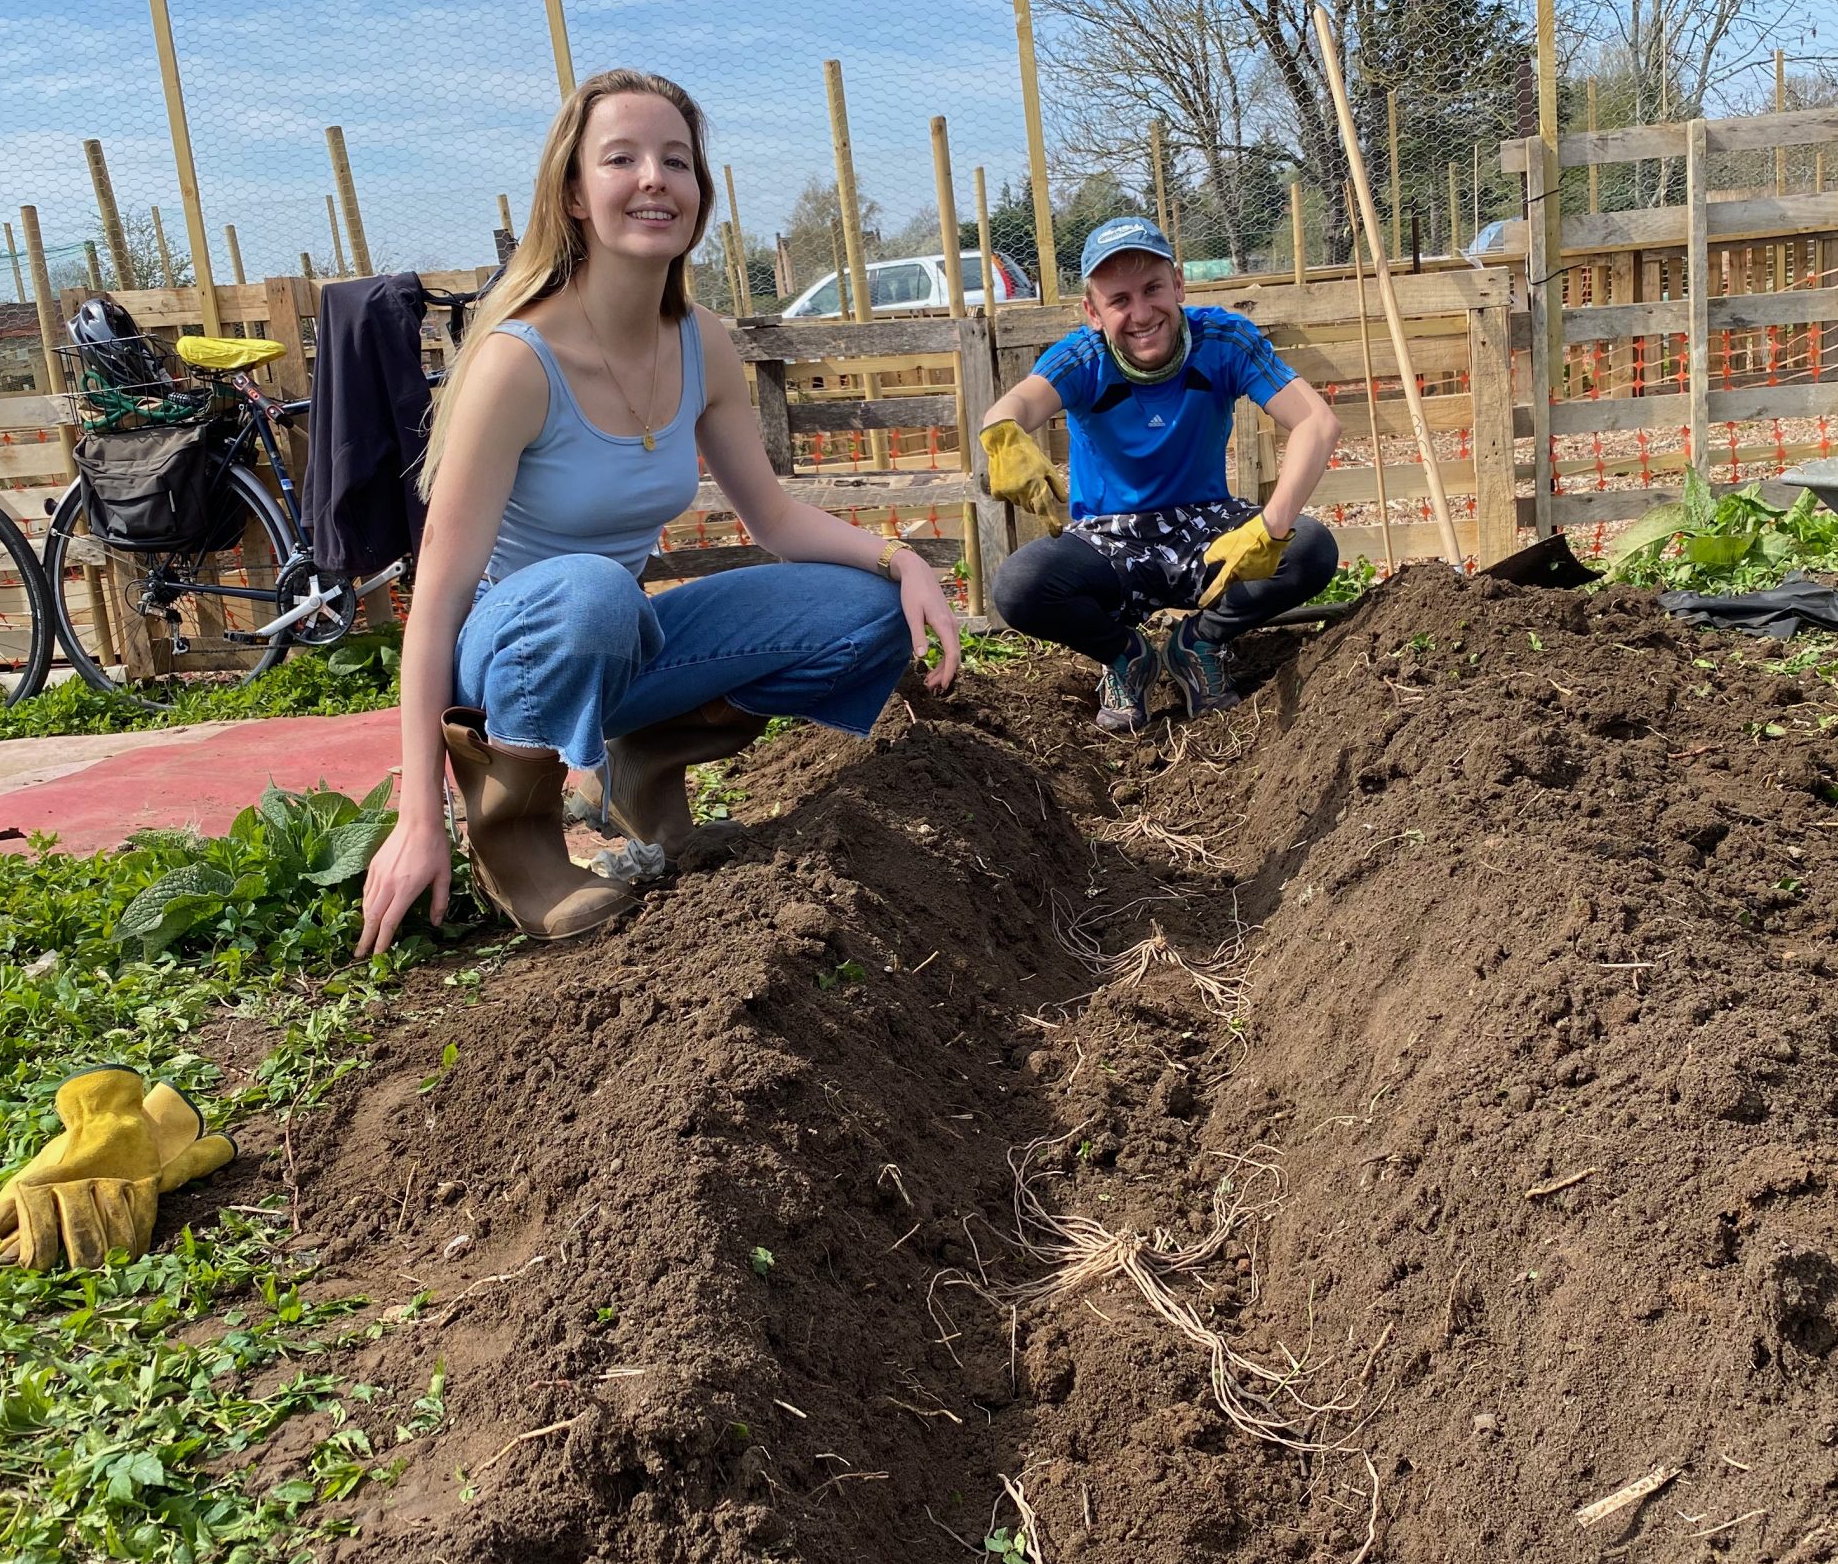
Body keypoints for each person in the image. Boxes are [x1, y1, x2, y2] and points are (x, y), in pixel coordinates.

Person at [356, 69, 960, 954]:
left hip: (616, 632)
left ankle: (642, 759)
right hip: (509, 655)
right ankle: (511, 830)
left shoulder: (701, 342)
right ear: (572, 193)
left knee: (866, 614)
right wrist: (419, 815)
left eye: (676, 160)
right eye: (622, 158)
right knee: (595, 593)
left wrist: (901, 562)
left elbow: (776, 521)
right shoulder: (519, 362)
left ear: (699, 192)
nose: (654, 178)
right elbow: (437, 602)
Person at [980, 216, 1341, 732]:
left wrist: (1271, 526)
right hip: (1109, 541)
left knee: (1308, 548)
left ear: (1178, 283)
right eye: (1119, 300)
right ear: (1093, 312)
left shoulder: (1223, 341)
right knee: (1019, 586)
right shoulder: (1082, 358)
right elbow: (1012, 406)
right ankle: (1127, 656)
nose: (1141, 313)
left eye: (1152, 289)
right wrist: (1004, 436)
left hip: (1205, 527)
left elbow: (1317, 421)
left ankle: (1199, 643)